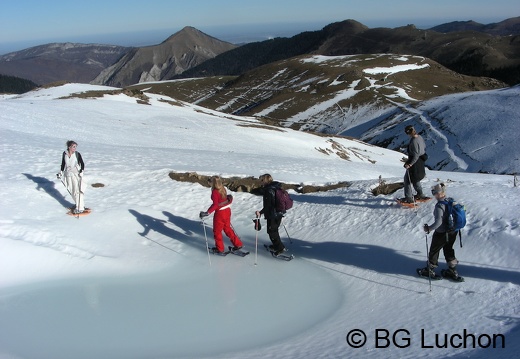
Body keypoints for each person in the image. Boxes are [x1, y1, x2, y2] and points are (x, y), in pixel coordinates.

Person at [419, 183, 461, 280]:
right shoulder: (450, 201)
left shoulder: (439, 206)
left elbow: (438, 222)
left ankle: (430, 269)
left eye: (434, 193)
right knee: (448, 249)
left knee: (434, 250)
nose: (434, 195)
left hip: (441, 233)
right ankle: (452, 270)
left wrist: (429, 228)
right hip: (453, 231)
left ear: (438, 193)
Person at [200, 176, 243, 254]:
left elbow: (215, 205)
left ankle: (220, 249)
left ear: (213, 183)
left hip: (220, 213)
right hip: (227, 211)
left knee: (217, 231)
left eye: (209, 181)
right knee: (227, 228)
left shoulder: (215, 192)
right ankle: (238, 244)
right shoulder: (223, 189)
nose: (208, 182)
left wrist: (207, 212)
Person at [255, 174, 286, 255]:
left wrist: (260, 212)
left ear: (264, 181)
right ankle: (277, 245)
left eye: (261, 180)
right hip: (279, 213)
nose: (260, 182)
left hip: (273, 214)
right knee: (274, 230)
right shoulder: (276, 187)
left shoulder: (269, 190)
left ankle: (280, 248)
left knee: (271, 231)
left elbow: (268, 205)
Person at [58, 140, 85, 214]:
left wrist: (82, 171)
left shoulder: (77, 154)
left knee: (77, 190)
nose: (75, 148)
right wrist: (61, 172)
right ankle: (77, 204)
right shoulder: (65, 154)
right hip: (68, 175)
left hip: (76, 175)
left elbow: (82, 163)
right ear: (69, 147)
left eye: (75, 147)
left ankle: (80, 207)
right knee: (71, 190)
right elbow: (63, 164)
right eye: (73, 147)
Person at [402, 125, 427, 203]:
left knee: (407, 179)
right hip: (420, 161)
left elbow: (416, 154)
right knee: (415, 179)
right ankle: (420, 194)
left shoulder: (414, 141)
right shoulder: (420, 137)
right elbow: (424, 147)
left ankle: (409, 198)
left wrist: (410, 164)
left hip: (415, 162)